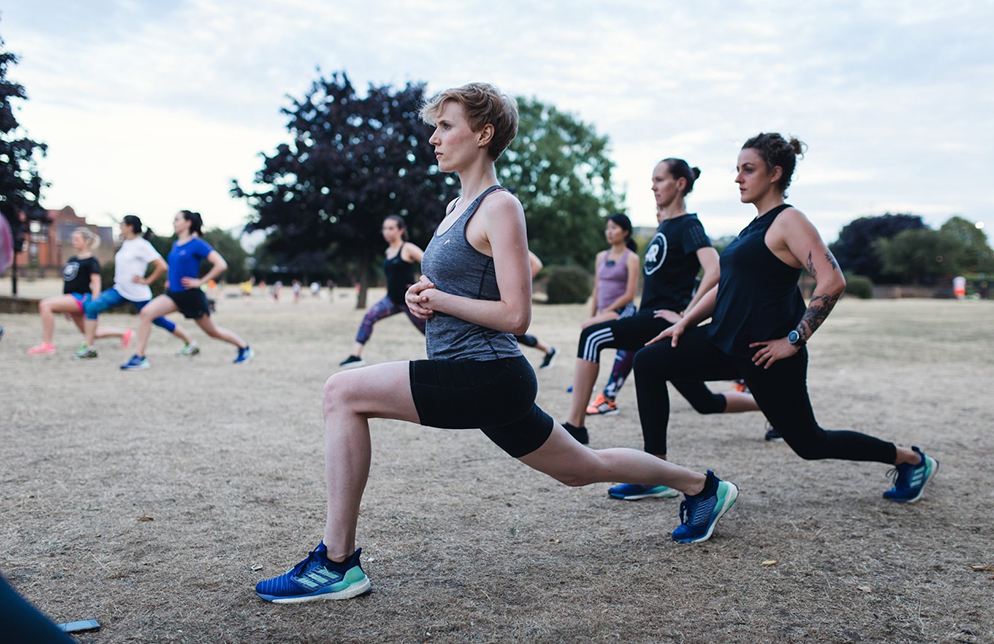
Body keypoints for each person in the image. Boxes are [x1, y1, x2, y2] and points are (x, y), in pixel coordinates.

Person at [255, 83, 739, 604]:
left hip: (488, 373)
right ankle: (703, 487)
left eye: (446, 126)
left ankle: (336, 563)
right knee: (583, 468)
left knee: (342, 392)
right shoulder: (454, 207)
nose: (434, 138)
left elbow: (515, 315)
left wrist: (440, 299)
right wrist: (424, 296)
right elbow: (460, 289)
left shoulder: (500, 206)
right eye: (435, 127)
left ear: (483, 134)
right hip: (479, 375)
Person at [630, 132, 938, 505]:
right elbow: (725, 286)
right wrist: (685, 322)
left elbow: (832, 280)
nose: (738, 178)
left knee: (811, 443)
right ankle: (656, 473)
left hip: (767, 354)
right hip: (724, 341)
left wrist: (794, 339)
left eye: (748, 169)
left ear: (775, 173)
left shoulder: (789, 221)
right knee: (648, 361)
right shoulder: (753, 227)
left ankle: (911, 460)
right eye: (737, 169)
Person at [560, 159, 760, 448]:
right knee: (705, 402)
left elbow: (715, 269)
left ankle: (575, 427)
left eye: (660, 180)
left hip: (662, 318)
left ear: (680, 184)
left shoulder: (689, 224)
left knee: (591, 337)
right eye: (653, 181)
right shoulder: (665, 226)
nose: (653, 186)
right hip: (652, 318)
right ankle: (769, 404)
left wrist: (687, 314)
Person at [121, 210, 252, 370]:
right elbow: (177, 266)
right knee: (146, 313)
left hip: (191, 296)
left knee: (212, 332)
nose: (174, 222)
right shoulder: (176, 244)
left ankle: (244, 348)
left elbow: (221, 264)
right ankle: (139, 357)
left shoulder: (197, 244)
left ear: (188, 223)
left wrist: (201, 281)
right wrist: (170, 279)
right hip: (173, 295)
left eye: (177, 219)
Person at [75, 216, 197, 359]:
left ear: (130, 227)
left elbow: (162, 266)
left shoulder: (142, 245)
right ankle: (89, 347)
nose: (120, 227)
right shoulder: (125, 244)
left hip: (138, 293)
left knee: (159, 320)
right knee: (92, 307)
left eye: (122, 225)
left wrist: (147, 281)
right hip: (119, 290)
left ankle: (190, 342)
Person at [338, 216, 427, 369]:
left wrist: (421, 285)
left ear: (401, 230)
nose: (386, 232)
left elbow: (429, 263)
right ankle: (355, 356)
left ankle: (448, 358)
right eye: (384, 228)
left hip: (410, 301)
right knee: (369, 317)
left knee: (428, 331)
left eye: (391, 228)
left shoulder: (407, 248)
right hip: (391, 300)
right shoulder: (388, 251)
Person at [26, 227, 130, 355]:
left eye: (77, 239)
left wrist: (95, 304)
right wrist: (65, 306)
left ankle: (47, 345)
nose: (74, 242)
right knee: (91, 333)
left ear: (86, 241)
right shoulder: (72, 260)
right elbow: (68, 282)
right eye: (73, 239)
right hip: (70, 298)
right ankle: (124, 333)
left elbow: (96, 284)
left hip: (82, 298)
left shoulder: (92, 261)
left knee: (45, 304)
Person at [583, 213, 640, 416]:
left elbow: (630, 294)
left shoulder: (631, 258)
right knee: (587, 331)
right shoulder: (601, 257)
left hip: (623, 311)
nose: (609, 232)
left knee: (627, 347)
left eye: (614, 228)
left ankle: (608, 397)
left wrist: (607, 312)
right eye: (608, 227)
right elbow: (597, 289)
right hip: (605, 312)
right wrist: (593, 316)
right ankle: (587, 386)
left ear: (625, 232)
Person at [514, 250, 559, 369]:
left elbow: (537, 265)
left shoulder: (508, 241)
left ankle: (549, 350)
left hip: (511, 296)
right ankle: (549, 350)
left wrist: (518, 286)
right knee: (512, 333)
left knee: (513, 332)